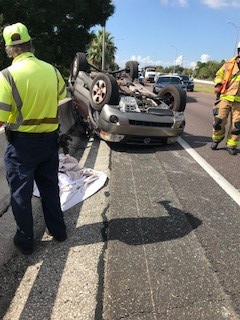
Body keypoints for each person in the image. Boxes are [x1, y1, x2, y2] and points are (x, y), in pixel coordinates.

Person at [0, 22, 67, 255]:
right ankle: (59, 231)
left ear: (9, 49)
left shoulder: (6, 76)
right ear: (30, 44)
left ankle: (26, 241)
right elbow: (62, 98)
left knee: (21, 194)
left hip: (22, 146)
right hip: (49, 141)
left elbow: (0, 118)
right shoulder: (52, 70)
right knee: (50, 187)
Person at [211, 43, 240, 155]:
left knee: (237, 126)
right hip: (225, 98)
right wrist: (218, 84)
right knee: (218, 121)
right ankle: (217, 139)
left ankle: (231, 145)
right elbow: (219, 74)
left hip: (239, 102)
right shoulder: (229, 64)